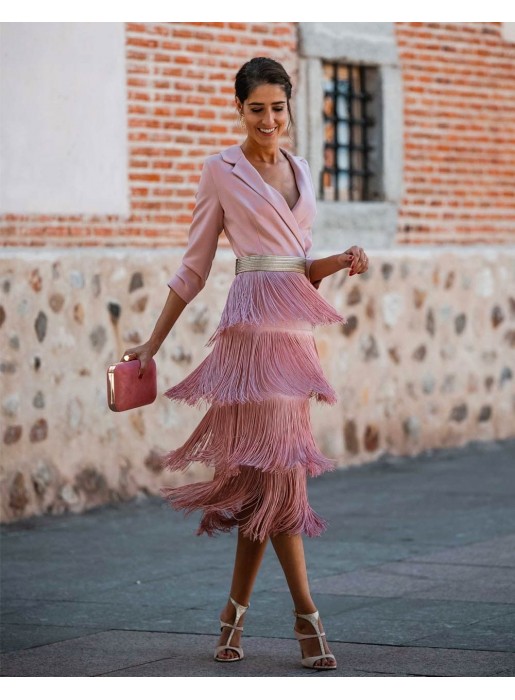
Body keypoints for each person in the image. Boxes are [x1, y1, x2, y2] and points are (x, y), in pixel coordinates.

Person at [121, 57, 369, 671]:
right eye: (255, 108)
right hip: (250, 334)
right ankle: (309, 619)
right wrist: (152, 345)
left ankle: (232, 617)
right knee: (282, 474)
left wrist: (338, 262)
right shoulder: (220, 170)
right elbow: (194, 267)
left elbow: (298, 263)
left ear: (291, 108)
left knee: (267, 482)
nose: (267, 119)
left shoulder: (302, 170)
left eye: (277, 108)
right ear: (239, 109)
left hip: (296, 332)